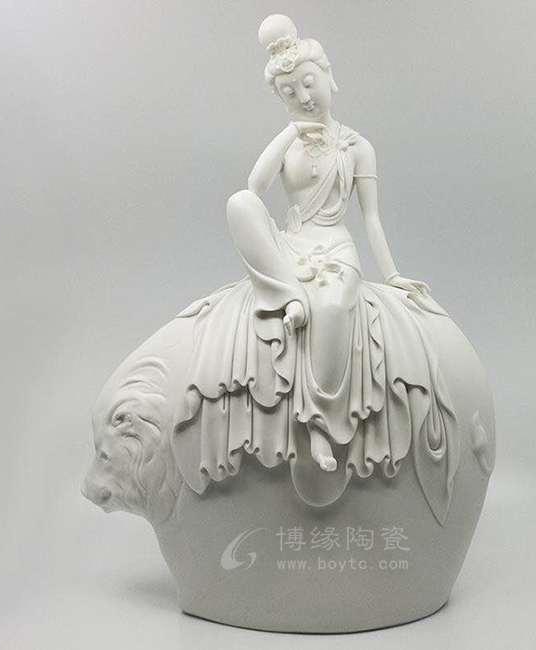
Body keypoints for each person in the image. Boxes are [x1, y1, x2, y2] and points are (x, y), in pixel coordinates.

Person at [178, 15, 454, 483]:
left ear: (328, 75)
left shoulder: (358, 147)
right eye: (290, 93)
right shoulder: (289, 142)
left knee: (332, 305)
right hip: (291, 242)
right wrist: (291, 132)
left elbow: (371, 218)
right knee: (239, 204)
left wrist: (391, 276)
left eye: (309, 83)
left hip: (332, 247)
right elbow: (255, 186)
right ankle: (290, 297)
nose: (304, 97)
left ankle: (320, 425)